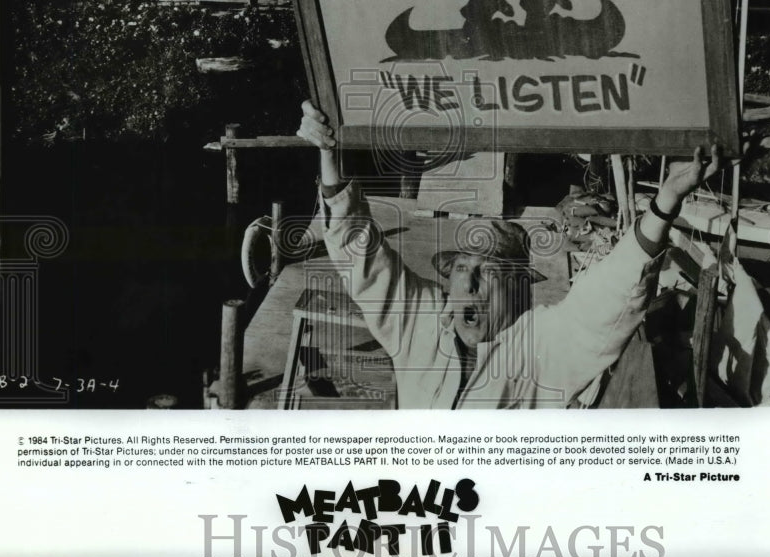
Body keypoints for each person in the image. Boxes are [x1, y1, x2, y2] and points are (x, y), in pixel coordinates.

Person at [296, 100, 723, 409]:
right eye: (462, 268)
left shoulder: (541, 344)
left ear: (519, 287)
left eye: (490, 271)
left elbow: (608, 297)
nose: (470, 282)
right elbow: (362, 257)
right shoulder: (420, 323)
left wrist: (665, 200)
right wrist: (329, 153)